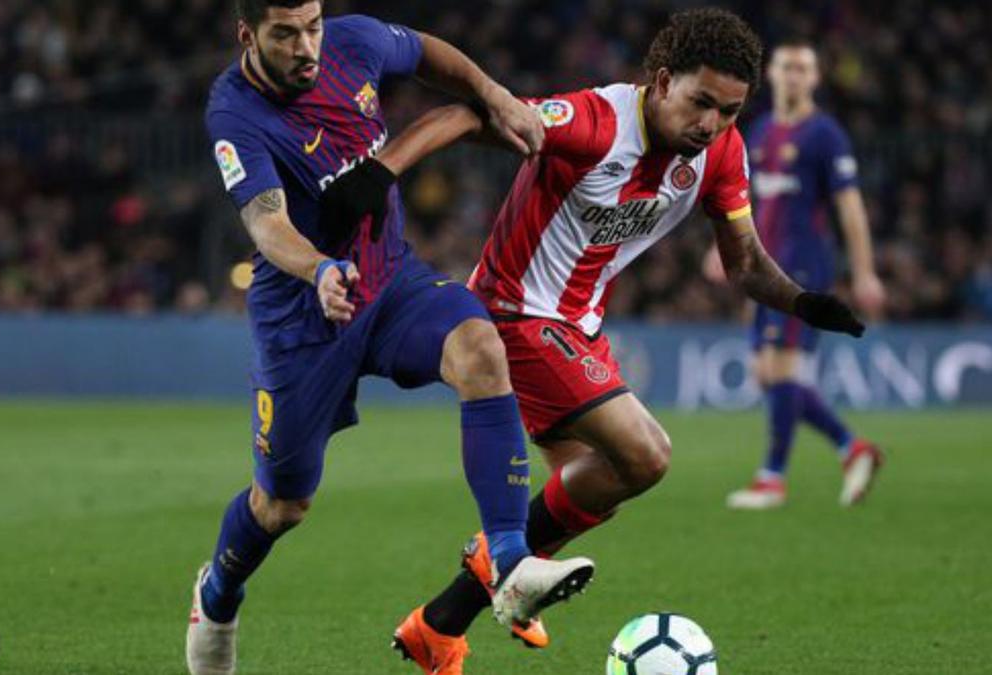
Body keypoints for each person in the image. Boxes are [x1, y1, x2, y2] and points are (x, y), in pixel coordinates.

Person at [317, 9, 865, 671]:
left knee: (598, 480)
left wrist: (804, 301)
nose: (712, 123)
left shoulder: (720, 152)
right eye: (701, 103)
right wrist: (381, 172)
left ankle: (442, 622)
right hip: (515, 313)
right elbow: (472, 114)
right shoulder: (593, 123)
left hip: (580, 326)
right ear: (661, 82)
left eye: (729, 109)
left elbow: (743, 262)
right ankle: (502, 562)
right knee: (646, 454)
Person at [185, 2, 594, 673]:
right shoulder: (234, 112)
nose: (306, 46)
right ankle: (218, 593)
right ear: (247, 36)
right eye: (285, 34)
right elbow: (266, 224)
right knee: (283, 503)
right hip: (304, 317)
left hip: (391, 283)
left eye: (312, 26)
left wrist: (491, 93)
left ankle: (513, 560)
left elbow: (430, 51)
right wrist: (318, 268)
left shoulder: (356, 42)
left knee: (479, 348)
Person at [718, 39, 886, 511]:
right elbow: (739, 200)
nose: (793, 75)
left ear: (814, 78)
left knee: (782, 369)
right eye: (786, 67)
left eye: (803, 68)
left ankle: (772, 478)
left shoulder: (825, 135)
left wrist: (866, 271)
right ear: (770, 74)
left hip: (804, 264)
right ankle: (853, 447)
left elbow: (849, 206)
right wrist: (726, 247)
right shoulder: (760, 129)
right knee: (764, 373)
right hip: (764, 266)